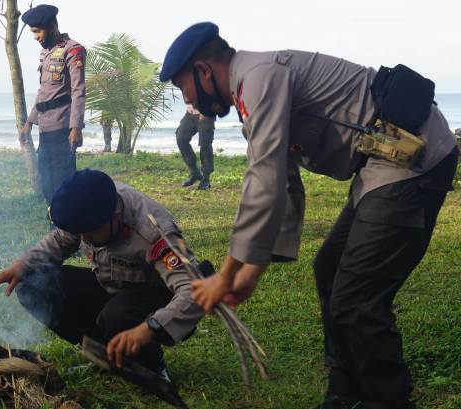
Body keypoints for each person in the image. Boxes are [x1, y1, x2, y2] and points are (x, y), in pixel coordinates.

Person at [160, 22, 459, 409]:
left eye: (184, 88)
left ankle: (388, 401)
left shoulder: (258, 77)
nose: (190, 101)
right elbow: (283, 182)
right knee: (330, 269)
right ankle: (345, 394)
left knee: (356, 300)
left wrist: (227, 273)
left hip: (415, 161)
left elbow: (262, 178)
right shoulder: (253, 92)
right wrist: (250, 273)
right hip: (379, 168)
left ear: (203, 71)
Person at [0, 169, 204, 379]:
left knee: (117, 314)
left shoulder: (153, 231)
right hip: (110, 285)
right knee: (32, 284)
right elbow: (60, 240)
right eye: (80, 233)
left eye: (89, 233)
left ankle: (151, 366)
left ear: (115, 214)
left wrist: (152, 327)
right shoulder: (86, 208)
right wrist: (22, 265)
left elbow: (192, 291)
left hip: (153, 295)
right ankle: (105, 354)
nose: (84, 239)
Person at [19, 4, 86, 205]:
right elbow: (44, 92)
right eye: (33, 32)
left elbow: (78, 90)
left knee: (63, 183)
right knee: (47, 183)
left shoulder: (73, 50)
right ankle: (55, 225)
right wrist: (29, 123)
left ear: (51, 26)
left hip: (63, 128)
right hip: (46, 128)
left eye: (38, 31)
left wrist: (76, 127)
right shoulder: (47, 53)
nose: (36, 36)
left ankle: (67, 230)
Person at [176, 104, 215, 189]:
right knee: (181, 138)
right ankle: (195, 172)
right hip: (191, 112)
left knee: (205, 144)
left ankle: (206, 179)